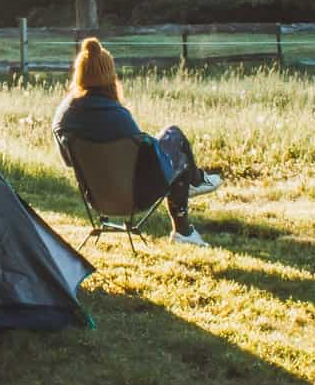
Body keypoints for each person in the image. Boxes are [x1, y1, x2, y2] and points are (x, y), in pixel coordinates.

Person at [52, 37, 221, 246]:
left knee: (175, 159)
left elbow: (69, 162)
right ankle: (191, 196)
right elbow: (145, 163)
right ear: (110, 75)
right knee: (175, 139)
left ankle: (195, 182)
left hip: (97, 199)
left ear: (79, 73)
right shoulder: (118, 115)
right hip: (135, 197)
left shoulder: (63, 116)